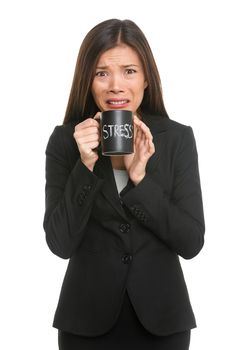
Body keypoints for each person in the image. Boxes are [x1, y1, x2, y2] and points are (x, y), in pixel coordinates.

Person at [43, 19, 205, 350]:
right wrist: (85, 165)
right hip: (85, 323)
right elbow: (59, 244)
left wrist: (140, 179)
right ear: (87, 81)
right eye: (102, 73)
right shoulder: (65, 141)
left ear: (147, 79)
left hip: (163, 322)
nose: (116, 85)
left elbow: (191, 242)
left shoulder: (176, 139)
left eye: (129, 71)